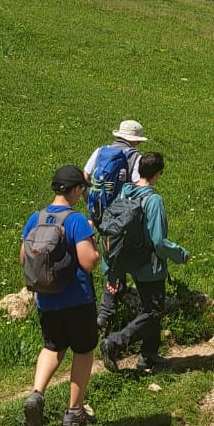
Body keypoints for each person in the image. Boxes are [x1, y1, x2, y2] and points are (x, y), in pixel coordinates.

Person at [21, 165, 101, 426]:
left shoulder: (36, 218)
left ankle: (36, 393)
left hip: (46, 300)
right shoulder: (75, 220)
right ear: (77, 189)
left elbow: (24, 257)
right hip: (77, 299)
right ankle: (75, 411)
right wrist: (96, 247)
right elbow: (88, 262)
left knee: (53, 346)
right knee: (83, 349)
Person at [99, 153, 190, 374]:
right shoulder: (153, 200)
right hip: (150, 265)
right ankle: (115, 342)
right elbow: (159, 241)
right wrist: (180, 254)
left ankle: (148, 356)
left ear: (139, 169)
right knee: (154, 312)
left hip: (131, 261)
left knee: (150, 307)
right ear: (159, 173)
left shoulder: (125, 192)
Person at [86, 120, 149, 337]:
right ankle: (111, 315)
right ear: (135, 140)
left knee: (112, 259)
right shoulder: (135, 157)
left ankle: (108, 314)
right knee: (121, 261)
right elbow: (136, 187)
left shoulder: (101, 151)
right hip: (122, 220)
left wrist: (92, 207)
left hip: (101, 216)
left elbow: (85, 178)